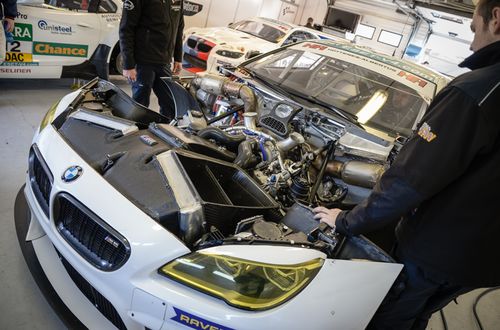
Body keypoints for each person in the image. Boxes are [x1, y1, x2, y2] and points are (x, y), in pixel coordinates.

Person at [313, 0, 500, 329]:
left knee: (383, 317)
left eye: (473, 29)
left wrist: (345, 220)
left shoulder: (476, 91)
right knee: (416, 313)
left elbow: (409, 181)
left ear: (496, 19)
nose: (471, 44)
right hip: (480, 262)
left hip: (433, 253)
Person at [119, 0, 184, 119]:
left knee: (170, 103)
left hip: (164, 62)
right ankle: (137, 133)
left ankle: (165, 132)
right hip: (143, 62)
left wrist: (178, 58)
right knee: (140, 105)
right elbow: (126, 29)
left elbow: (179, 28)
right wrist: (128, 65)